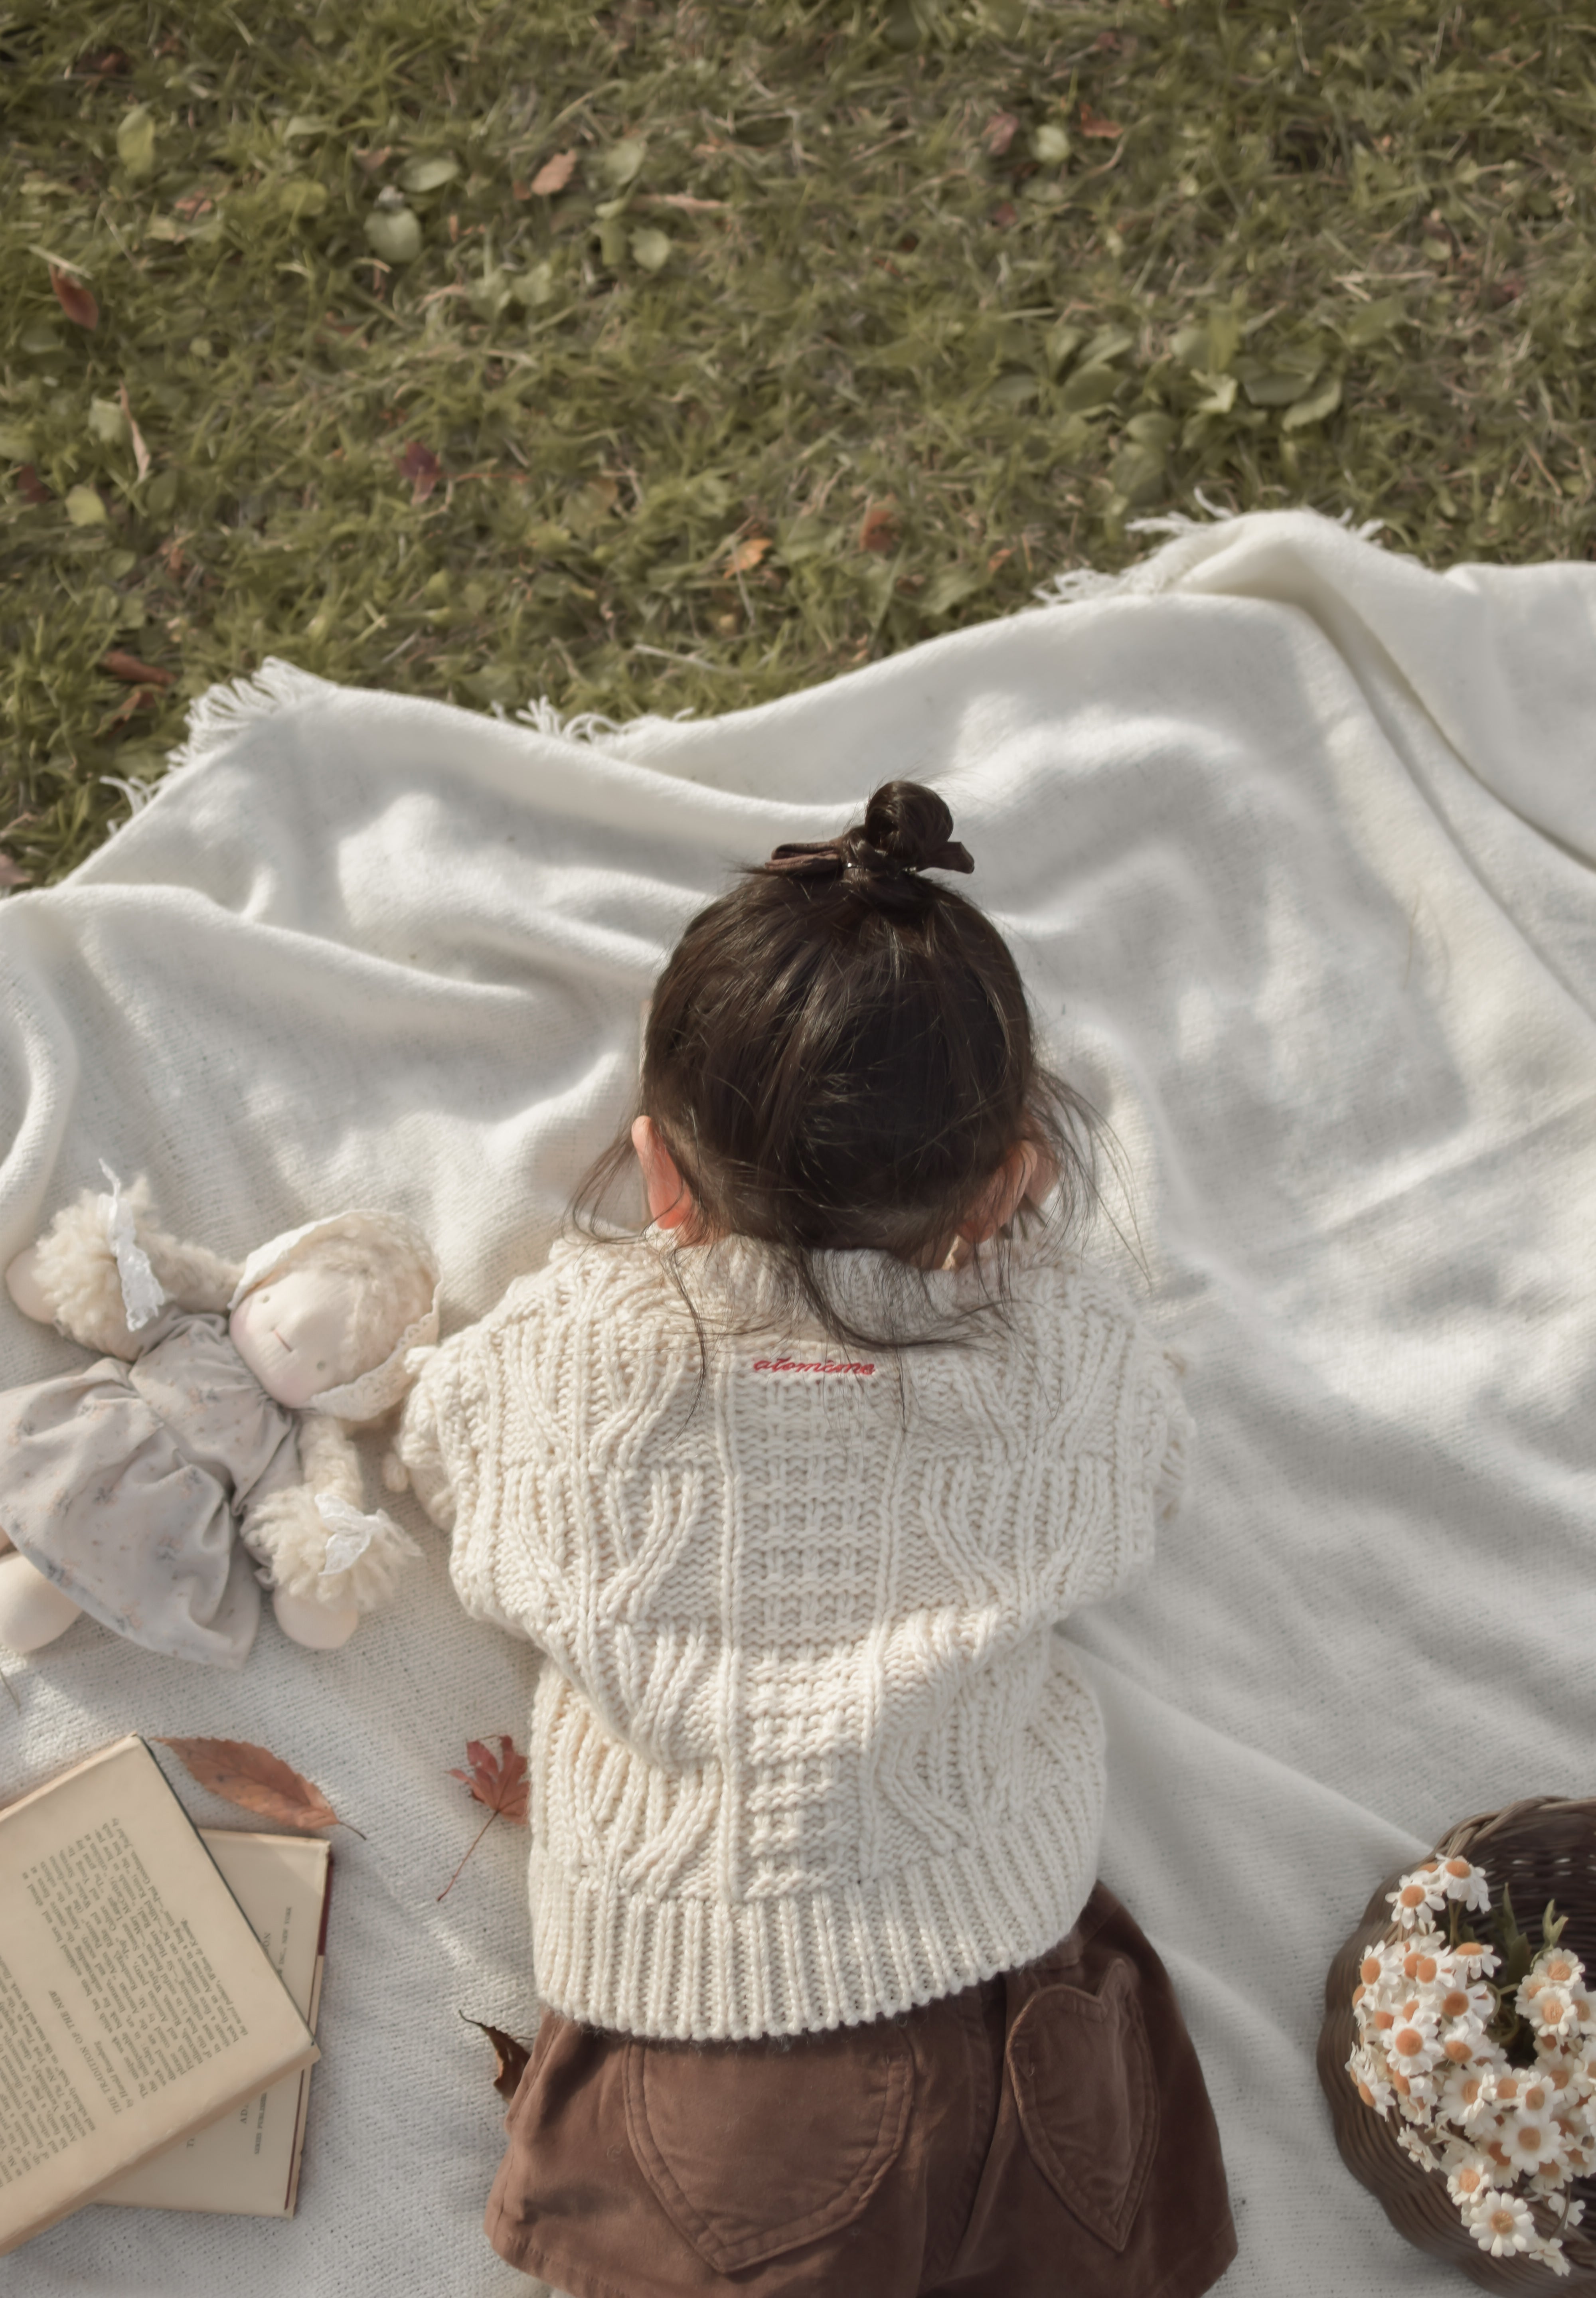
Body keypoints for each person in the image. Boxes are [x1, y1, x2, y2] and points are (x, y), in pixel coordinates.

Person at [395, 780, 1238, 2298]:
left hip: (712, 2056)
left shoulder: (585, 1349)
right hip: (1021, 2007)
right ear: (1016, 1183)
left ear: (655, 1171)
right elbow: (1152, 1469)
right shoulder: (1056, 1347)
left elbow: (444, 1445)